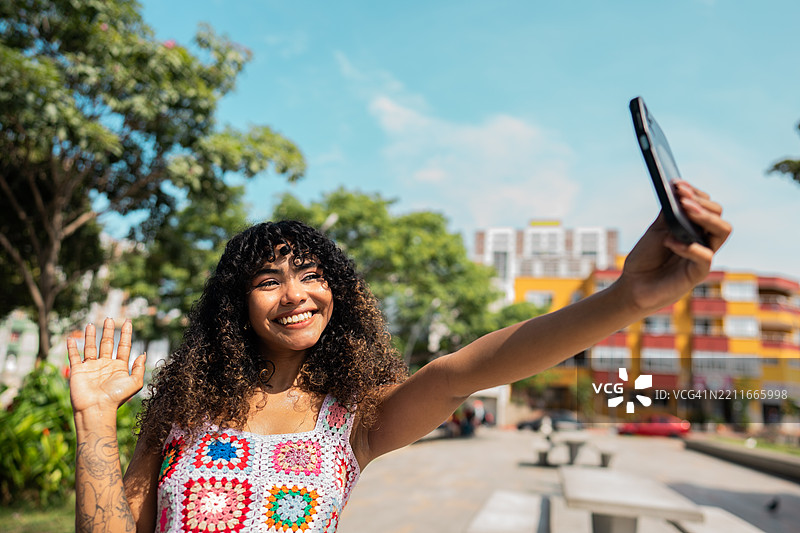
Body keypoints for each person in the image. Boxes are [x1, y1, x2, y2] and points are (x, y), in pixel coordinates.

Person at [68, 180, 730, 532]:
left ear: (338, 293)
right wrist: (95, 422)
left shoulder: (353, 417)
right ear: (236, 305)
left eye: (310, 274)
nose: (294, 294)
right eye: (268, 280)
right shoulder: (184, 410)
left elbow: (470, 368)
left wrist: (625, 298)